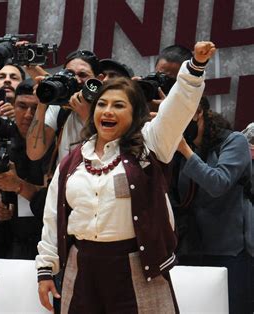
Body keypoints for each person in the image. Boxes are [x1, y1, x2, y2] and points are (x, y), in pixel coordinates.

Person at [36, 41, 216, 313]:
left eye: (118, 105)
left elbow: (178, 108)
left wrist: (194, 69)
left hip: (136, 266)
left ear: (134, 115)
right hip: (81, 267)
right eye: (102, 105)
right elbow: (53, 218)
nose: (108, 111)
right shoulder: (72, 160)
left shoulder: (150, 146)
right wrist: (46, 270)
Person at [174, 97, 252, 314]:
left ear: (198, 111)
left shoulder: (233, 141)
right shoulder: (182, 150)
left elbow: (219, 184)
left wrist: (184, 150)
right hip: (191, 248)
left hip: (230, 250)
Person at [0, 79, 54, 259]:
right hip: (10, 237)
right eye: (21, 106)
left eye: (34, 108)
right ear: (13, 106)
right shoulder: (3, 134)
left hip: (46, 236)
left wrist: (19, 186)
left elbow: (56, 197)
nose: (27, 114)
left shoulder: (54, 141)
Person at [26, 50, 103, 166]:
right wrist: (43, 102)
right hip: (63, 182)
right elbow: (34, 153)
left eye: (83, 75)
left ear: (99, 79)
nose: (76, 80)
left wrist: (86, 115)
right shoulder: (59, 107)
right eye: (70, 74)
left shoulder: (107, 108)